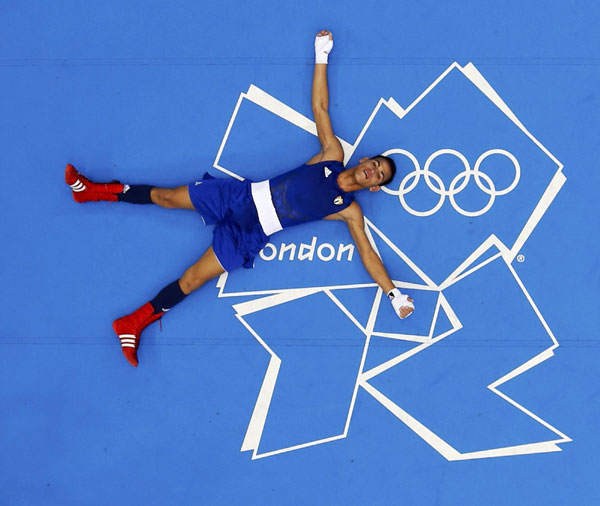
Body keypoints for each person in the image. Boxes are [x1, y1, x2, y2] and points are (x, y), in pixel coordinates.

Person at [64, 29, 414, 367]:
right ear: (366, 160)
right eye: (376, 165)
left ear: (374, 188)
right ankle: (91, 191)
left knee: (192, 279)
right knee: (166, 197)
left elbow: (368, 254)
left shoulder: (349, 211)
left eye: (380, 177)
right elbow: (320, 107)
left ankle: (132, 324)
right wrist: (321, 55)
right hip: (238, 197)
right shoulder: (331, 153)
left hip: (250, 235)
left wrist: (393, 294)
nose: (374, 172)